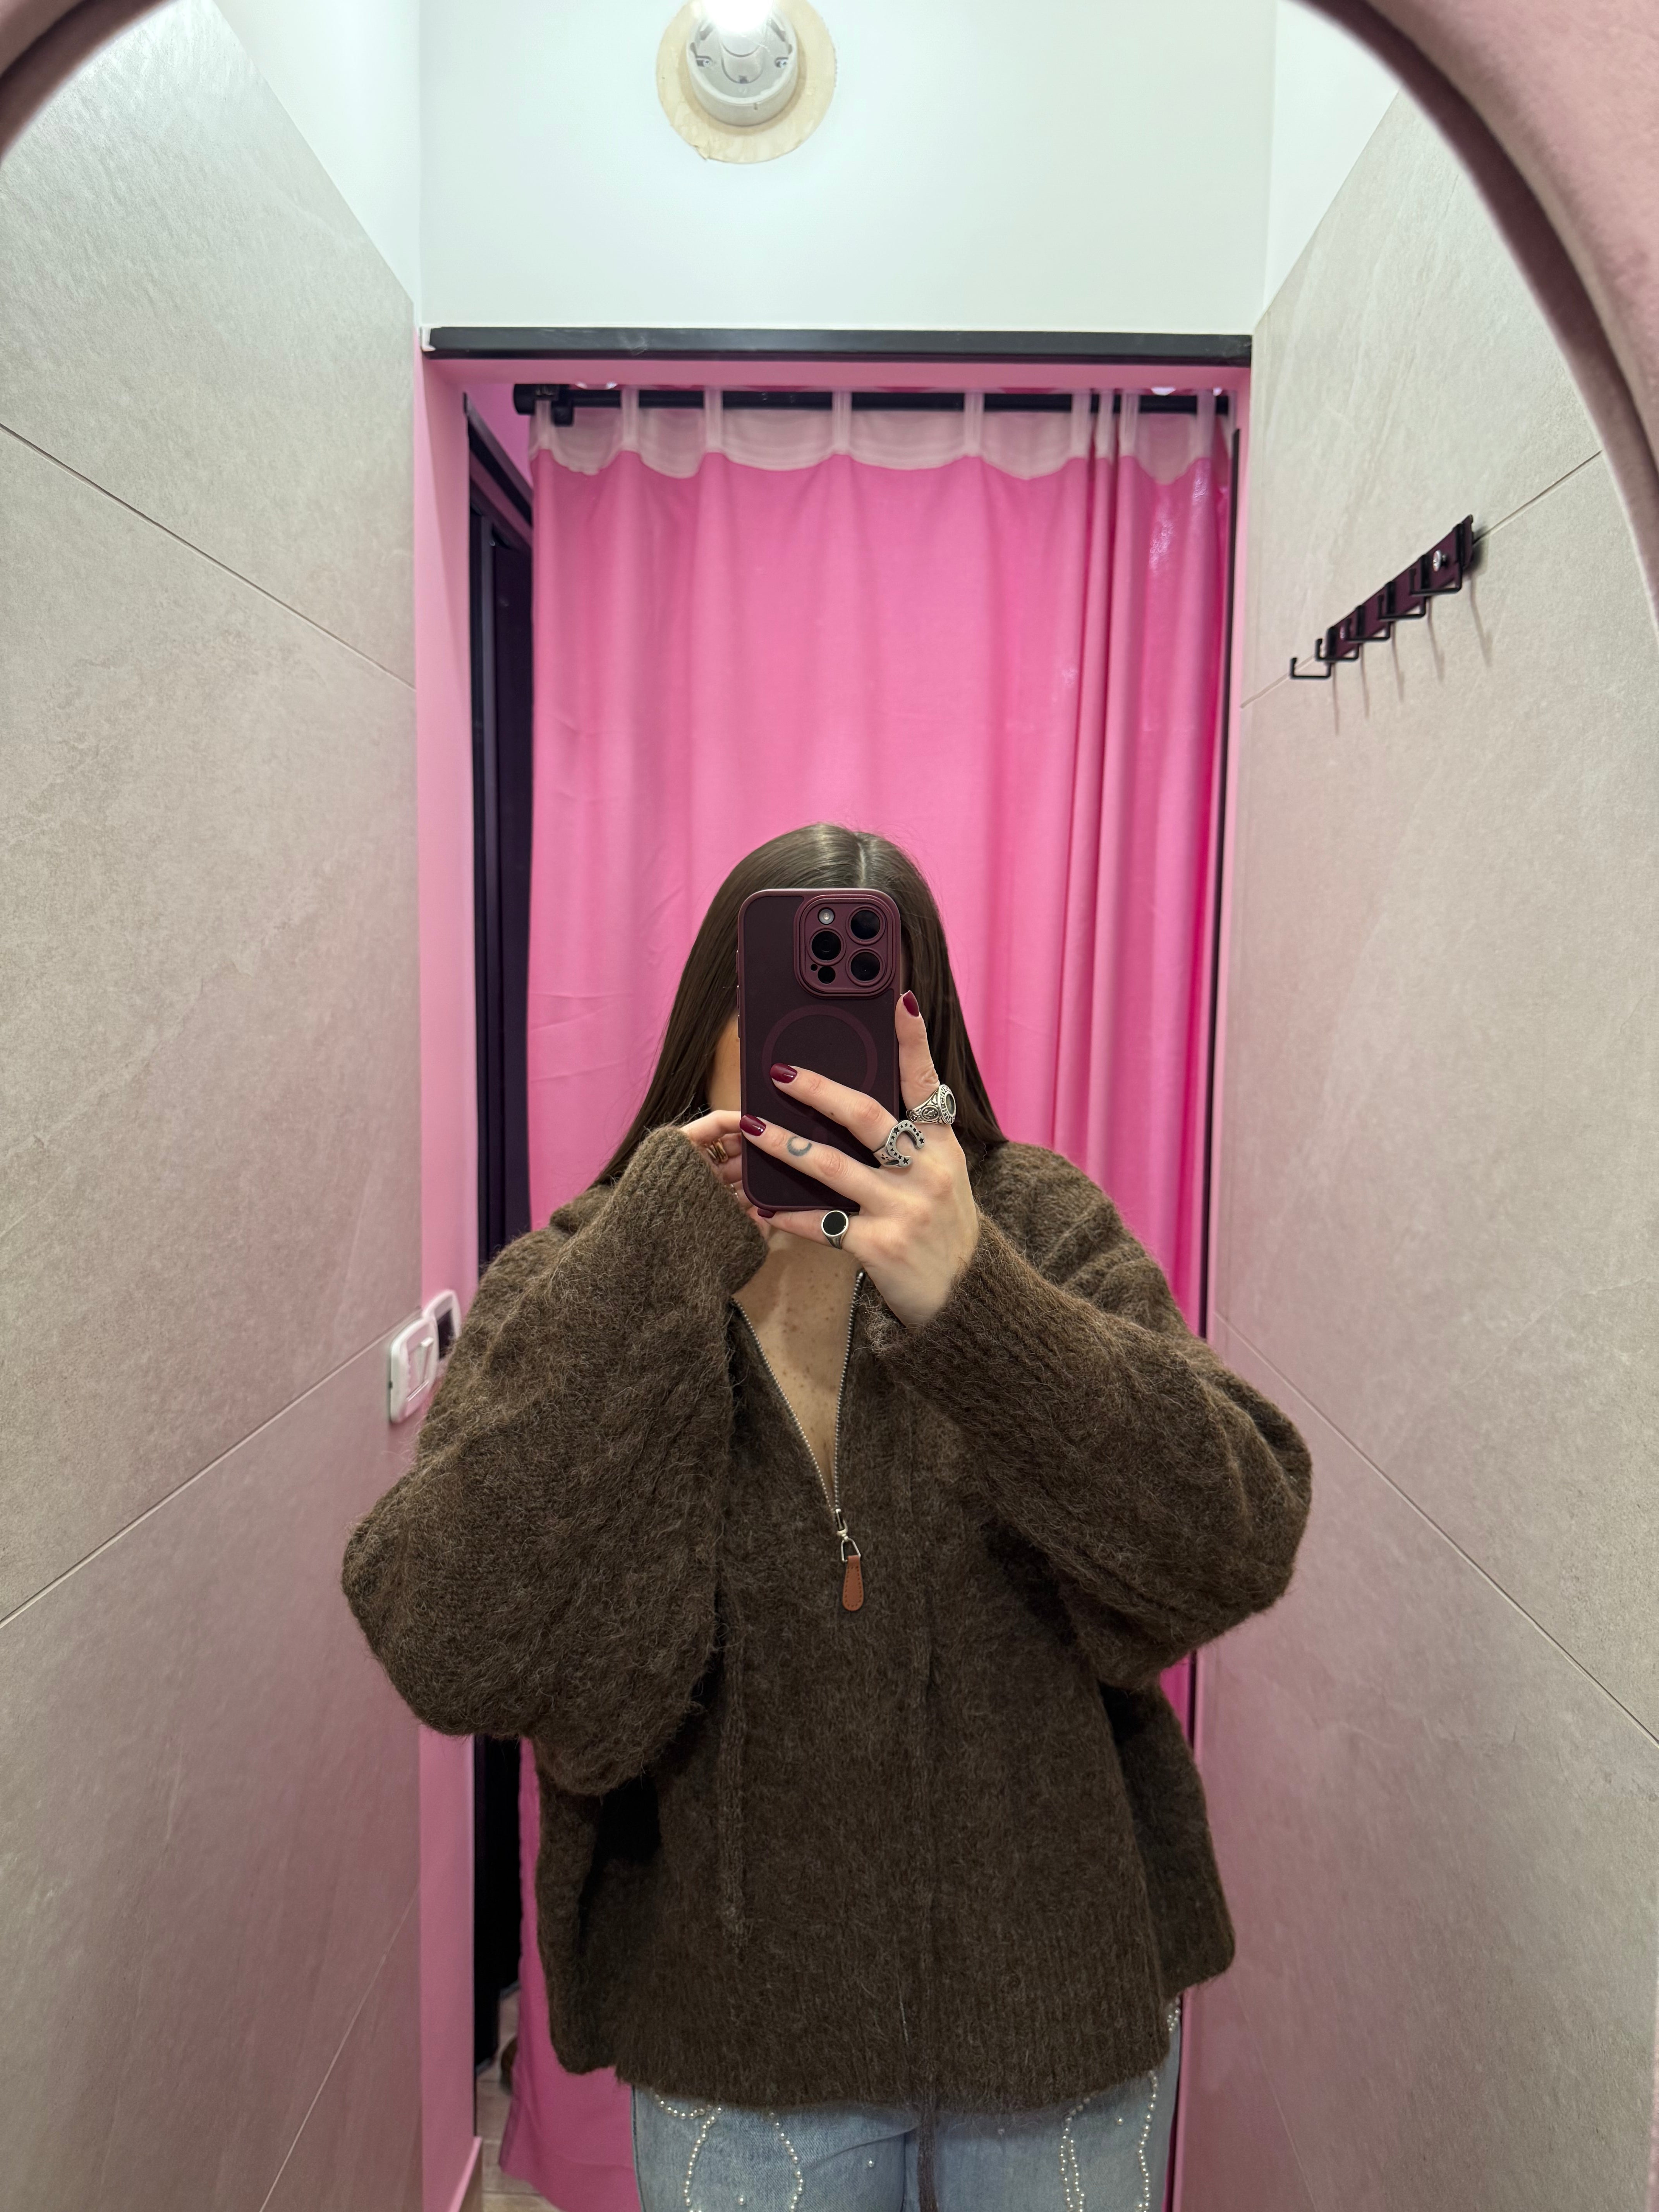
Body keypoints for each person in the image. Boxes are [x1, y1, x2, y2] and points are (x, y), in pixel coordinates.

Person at [343, 822, 1312, 2212]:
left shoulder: (1030, 1229)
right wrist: (651, 1264)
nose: (822, 1064)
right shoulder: (596, 1269)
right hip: (740, 2048)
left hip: (1050, 2024)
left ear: (926, 1041)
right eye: (783, 1014)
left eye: (864, 1019)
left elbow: (1234, 1537)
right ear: (708, 1028)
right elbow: (446, 1633)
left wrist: (977, 1301)